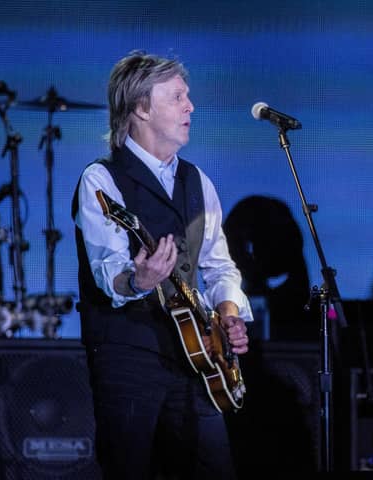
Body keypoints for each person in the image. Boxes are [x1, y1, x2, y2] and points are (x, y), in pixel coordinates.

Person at [72, 51, 252, 479]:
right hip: (128, 359)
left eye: (187, 97)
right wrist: (139, 279)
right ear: (141, 108)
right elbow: (108, 273)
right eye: (177, 97)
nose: (190, 106)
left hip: (199, 362)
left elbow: (219, 264)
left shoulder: (197, 180)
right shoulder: (102, 180)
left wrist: (228, 314)